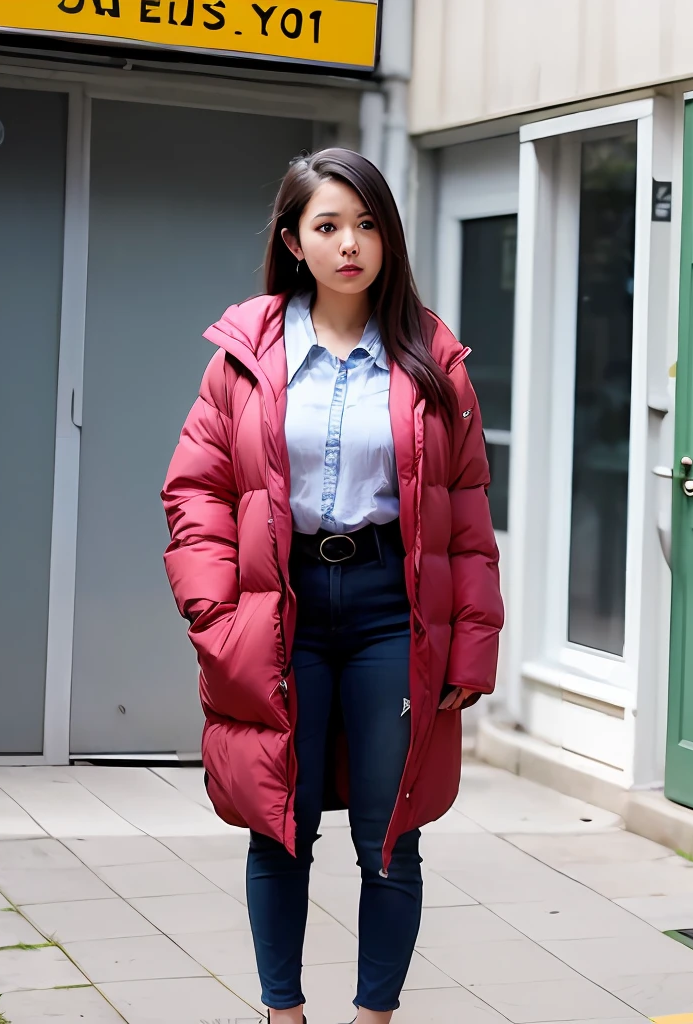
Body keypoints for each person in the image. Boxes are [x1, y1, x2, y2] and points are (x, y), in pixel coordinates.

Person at [161, 148, 503, 1024]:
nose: (350, 243)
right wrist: (213, 608)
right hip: (283, 610)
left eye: (367, 223)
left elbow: (466, 513)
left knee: (391, 835)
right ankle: (284, 1013)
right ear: (294, 241)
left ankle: (373, 1016)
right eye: (328, 226)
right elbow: (195, 489)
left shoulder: (432, 358)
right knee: (281, 822)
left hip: (396, 610)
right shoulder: (246, 354)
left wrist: (473, 640)